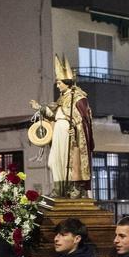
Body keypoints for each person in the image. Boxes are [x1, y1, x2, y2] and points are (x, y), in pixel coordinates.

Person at [30, 55, 94, 196]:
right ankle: (59, 188)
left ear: (67, 82)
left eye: (59, 82)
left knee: (69, 162)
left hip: (68, 134)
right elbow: (54, 115)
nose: (57, 85)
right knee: (54, 161)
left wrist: (77, 130)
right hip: (58, 131)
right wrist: (39, 108)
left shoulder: (79, 98)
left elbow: (84, 121)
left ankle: (72, 188)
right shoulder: (63, 99)